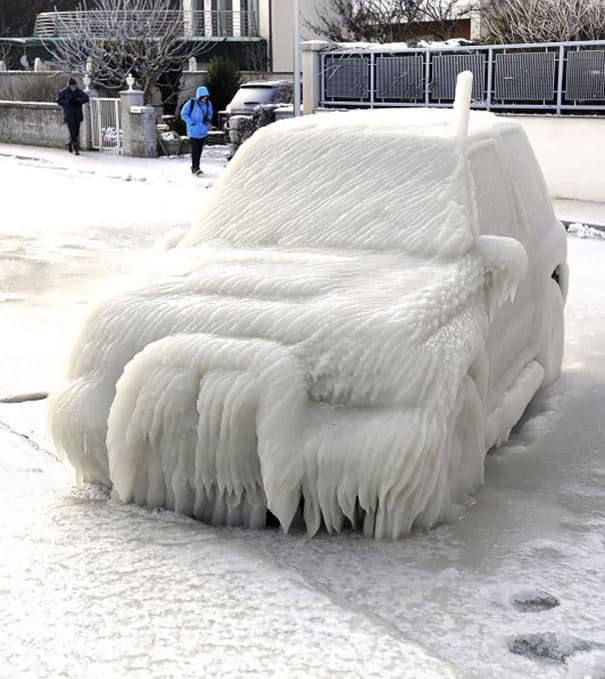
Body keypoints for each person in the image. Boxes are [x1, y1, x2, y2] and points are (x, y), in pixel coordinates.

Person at [181, 85, 213, 176]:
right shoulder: (191, 103)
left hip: (202, 131)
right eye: (203, 97)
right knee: (195, 150)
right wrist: (191, 122)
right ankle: (195, 168)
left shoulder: (208, 104)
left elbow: (210, 113)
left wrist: (207, 121)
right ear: (199, 96)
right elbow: (184, 114)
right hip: (193, 131)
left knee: (199, 150)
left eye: (206, 97)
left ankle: (196, 167)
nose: (204, 99)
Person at [57, 77, 89, 155]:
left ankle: (69, 143)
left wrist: (78, 101)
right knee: (72, 131)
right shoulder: (63, 92)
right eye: (72, 86)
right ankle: (75, 149)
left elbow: (86, 98)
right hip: (69, 115)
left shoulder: (79, 92)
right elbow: (59, 101)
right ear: (69, 86)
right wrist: (68, 102)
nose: (74, 87)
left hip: (78, 114)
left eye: (75, 85)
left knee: (76, 132)